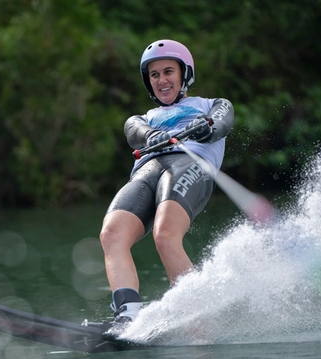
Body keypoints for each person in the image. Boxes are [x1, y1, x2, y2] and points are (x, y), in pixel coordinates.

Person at [99, 39, 234, 324]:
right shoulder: (142, 118)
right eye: (154, 74)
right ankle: (127, 317)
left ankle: (198, 324)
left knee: (165, 236)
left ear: (184, 74)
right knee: (111, 234)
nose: (161, 80)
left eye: (168, 71)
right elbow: (133, 130)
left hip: (190, 165)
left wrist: (205, 128)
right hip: (148, 171)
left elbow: (221, 122)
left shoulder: (213, 105)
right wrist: (151, 135)